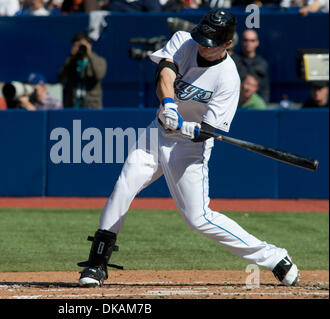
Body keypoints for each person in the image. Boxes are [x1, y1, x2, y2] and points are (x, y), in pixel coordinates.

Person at [76, 9, 299, 288]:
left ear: (227, 44)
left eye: (211, 44)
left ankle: (275, 257)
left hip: (188, 150)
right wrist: (169, 104)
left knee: (198, 219)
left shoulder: (229, 79)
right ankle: (97, 264)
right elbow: (165, 72)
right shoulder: (184, 40)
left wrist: (192, 128)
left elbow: (209, 131)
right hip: (155, 134)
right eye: (202, 39)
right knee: (123, 187)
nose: (203, 47)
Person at [58, 31, 107, 109]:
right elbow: (61, 78)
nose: (79, 48)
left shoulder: (99, 60)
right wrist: (71, 57)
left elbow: (99, 74)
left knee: (90, 121)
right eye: (76, 45)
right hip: (74, 106)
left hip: (92, 107)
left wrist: (89, 54)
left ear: (90, 45)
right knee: (76, 122)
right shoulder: (71, 61)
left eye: (81, 45)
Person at [232, 29, 270, 103]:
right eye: (246, 40)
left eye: (252, 40)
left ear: (257, 43)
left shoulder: (262, 63)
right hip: (235, 103)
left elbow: (265, 88)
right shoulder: (233, 61)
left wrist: (263, 105)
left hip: (256, 107)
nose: (248, 43)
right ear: (242, 42)